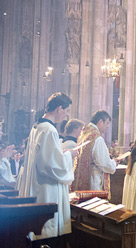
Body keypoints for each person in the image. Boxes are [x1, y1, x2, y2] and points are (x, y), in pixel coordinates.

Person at [17, 92, 74, 246]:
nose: (66, 115)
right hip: (46, 190)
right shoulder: (49, 130)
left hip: (37, 187)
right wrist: (69, 156)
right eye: (67, 110)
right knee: (47, 235)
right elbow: (52, 166)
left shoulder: (38, 126)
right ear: (59, 108)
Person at [72, 110, 117, 191]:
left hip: (83, 179)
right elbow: (104, 164)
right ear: (100, 122)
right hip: (92, 181)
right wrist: (114, 163)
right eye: (107, 123)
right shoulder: (97, 138)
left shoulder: (84, 135)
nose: (107, 127)